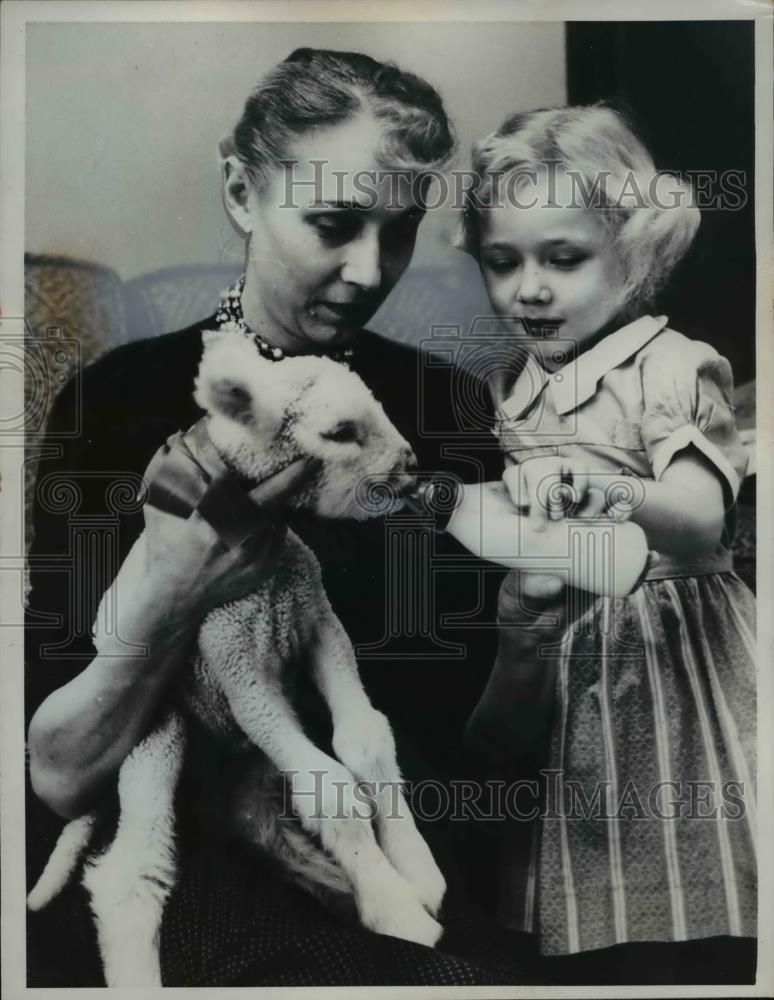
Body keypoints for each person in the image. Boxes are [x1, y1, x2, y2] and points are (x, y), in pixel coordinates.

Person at [25, 48, 589, 988]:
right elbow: (56, 778)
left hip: (403, 875)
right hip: (185, 872)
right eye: (333, 223)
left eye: (401, 230)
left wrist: (529, 637)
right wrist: (176, 587)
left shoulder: (441, 409)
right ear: (244, 192)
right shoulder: (118, 404)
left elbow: (488, 758)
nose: (370, 270)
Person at [462, 104, 757, 984]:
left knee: (691, 874)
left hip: (674, 648)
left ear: (634, 252)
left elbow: (706, 518)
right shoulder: (514, 389)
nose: (530, 290)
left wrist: (614, 490)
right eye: (502, 262)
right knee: (589, 898)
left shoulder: (670, 366)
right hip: (569, 646)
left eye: (564, 258)